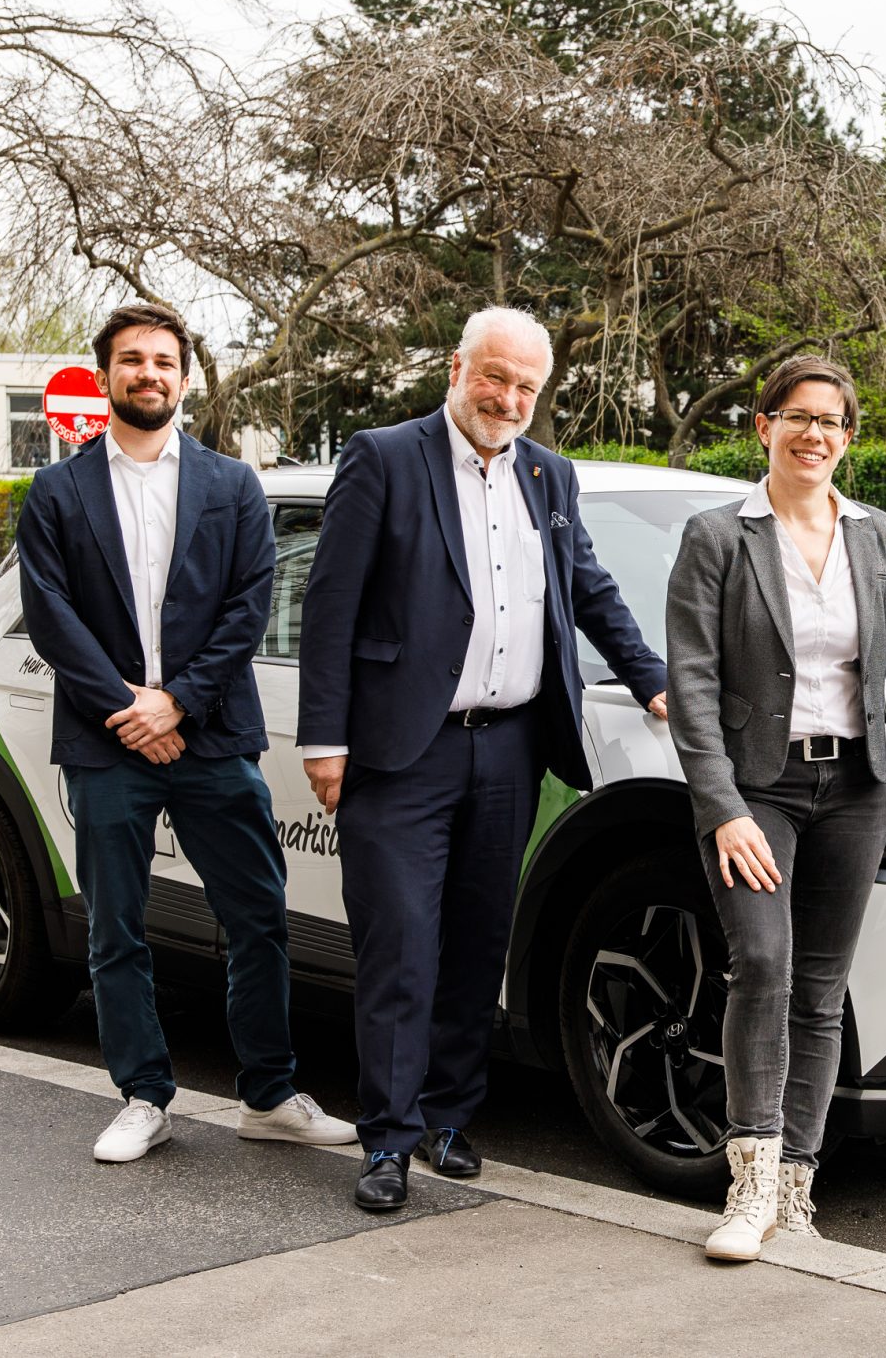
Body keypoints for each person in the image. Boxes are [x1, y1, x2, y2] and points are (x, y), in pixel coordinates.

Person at [298, 306, 668, 1212]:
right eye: (495, 377)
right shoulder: (384, 457)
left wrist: (654, 680)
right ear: (458, 366)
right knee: (400, 948)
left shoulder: (550, 475)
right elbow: (330, 603)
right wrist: (324, 736)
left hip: (508, 751)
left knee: (475, 946)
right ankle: (386, 1141)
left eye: (527, 387)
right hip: (400, 754)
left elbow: (589, 589)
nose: (508, 398)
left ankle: (449, 1119)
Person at [665, 355, 886, 1261]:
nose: (815, 434)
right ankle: (749, 1185)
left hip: (852, 789)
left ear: (850, 436)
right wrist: (721, 805)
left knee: (819, 991)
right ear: (763, 425)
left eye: (833, 420)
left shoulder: (877, 535)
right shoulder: (718, 536)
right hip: (756, 790)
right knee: (762, 964)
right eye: (797, 416)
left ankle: (797, 1188)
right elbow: (690, 685)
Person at [17, 302, 356, 1163]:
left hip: (211, 738)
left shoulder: (231, 485)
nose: (149, 374)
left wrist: (179, 704)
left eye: (164, 361)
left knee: (257, 917)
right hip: (107, 741)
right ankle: (142, 1094)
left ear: (184, 376)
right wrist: (131, 708)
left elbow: (249, 607)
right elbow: (50, 615)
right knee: (115, 928)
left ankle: (270, 1094)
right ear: (106, 378)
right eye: (132, 360)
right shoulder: (58, 491)